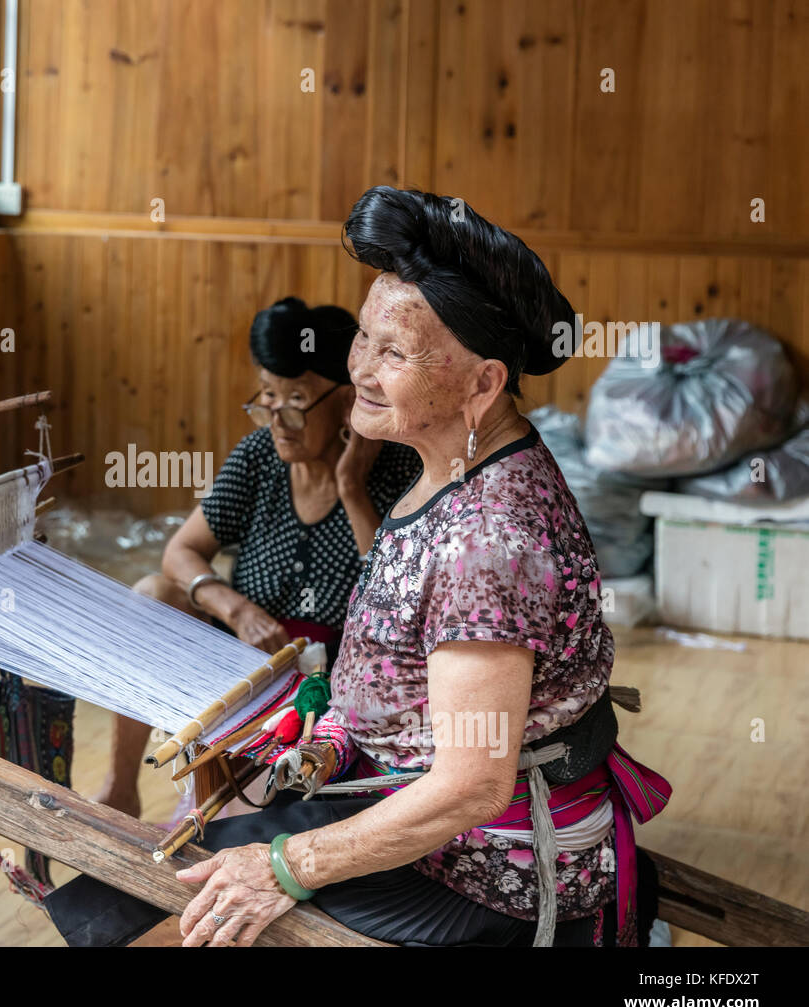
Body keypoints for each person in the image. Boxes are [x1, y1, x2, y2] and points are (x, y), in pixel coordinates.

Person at [45, 186, 672, 947]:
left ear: (483, 383)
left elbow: (472, 784)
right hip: (414, 808)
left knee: (149, 926)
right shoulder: (445, 465)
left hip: (483, 865)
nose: (362, 371)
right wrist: (334, 737)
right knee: (122, 893)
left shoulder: (490, 539)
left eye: (395, 352)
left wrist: (286, 862)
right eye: (364, 339)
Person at [96, 297, 421, 818]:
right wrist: (233, 607)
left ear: (347, 402)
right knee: (151, 596)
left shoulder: (398, 470)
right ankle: (120, 783)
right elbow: (180, 552)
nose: (278, 418)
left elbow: (392, 597)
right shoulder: (257, 458)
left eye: (297, 399)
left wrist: (351, 487)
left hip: (333, 692)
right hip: (245, 668)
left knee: (221, 827)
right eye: (268, 396)